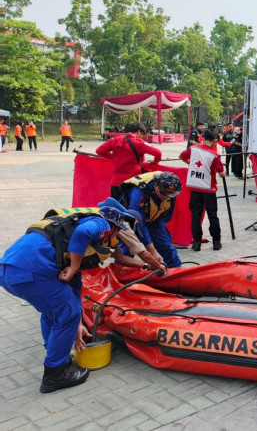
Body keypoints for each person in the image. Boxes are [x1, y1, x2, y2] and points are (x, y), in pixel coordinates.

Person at [0, 204, 141, 393]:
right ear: (114, 227)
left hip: (10, 271)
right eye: (117, 234)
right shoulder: (99, 223)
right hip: (33, 269)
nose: (114, 239)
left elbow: (74, 287)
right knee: (66, 315)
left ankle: (57, 355)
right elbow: (83, 233)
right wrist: (74, 267)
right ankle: (55, 374)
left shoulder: (71, 234)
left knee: (57, 313)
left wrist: (78, 324)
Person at [119, 171, 183, 267]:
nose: (166, 197)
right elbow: (139, 223)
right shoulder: (139, 192)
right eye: (163, 193)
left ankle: (176, 268)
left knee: (165, 244)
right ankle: (122, 271)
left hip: (155, 218)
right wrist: (152, 250)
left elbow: (167, 216)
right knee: (128, 245)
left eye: (169, 195)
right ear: (155, 185)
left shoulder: (170, 191)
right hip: (132, 219)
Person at [180, 129, 226, 251]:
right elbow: (221, 174)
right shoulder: (214, 156)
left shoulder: (193, 149)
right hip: (208, 189)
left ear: (203, 138)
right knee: (213, 216)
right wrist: (224, 170)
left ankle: (196, 243)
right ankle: (216, 242)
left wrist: (190, 164)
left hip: (194, 187)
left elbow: (182, 156)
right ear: (215, 141)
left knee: (195, 216)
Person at [96, 122, 162, 199]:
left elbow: (99, 151)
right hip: (133, 182)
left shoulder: (115, 140)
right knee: (131, 208)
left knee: (116, 208)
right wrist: (155, 162)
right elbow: (158, 153)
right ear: (139, 131)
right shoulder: (139, 143)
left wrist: (113, 157)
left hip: (116, 183)